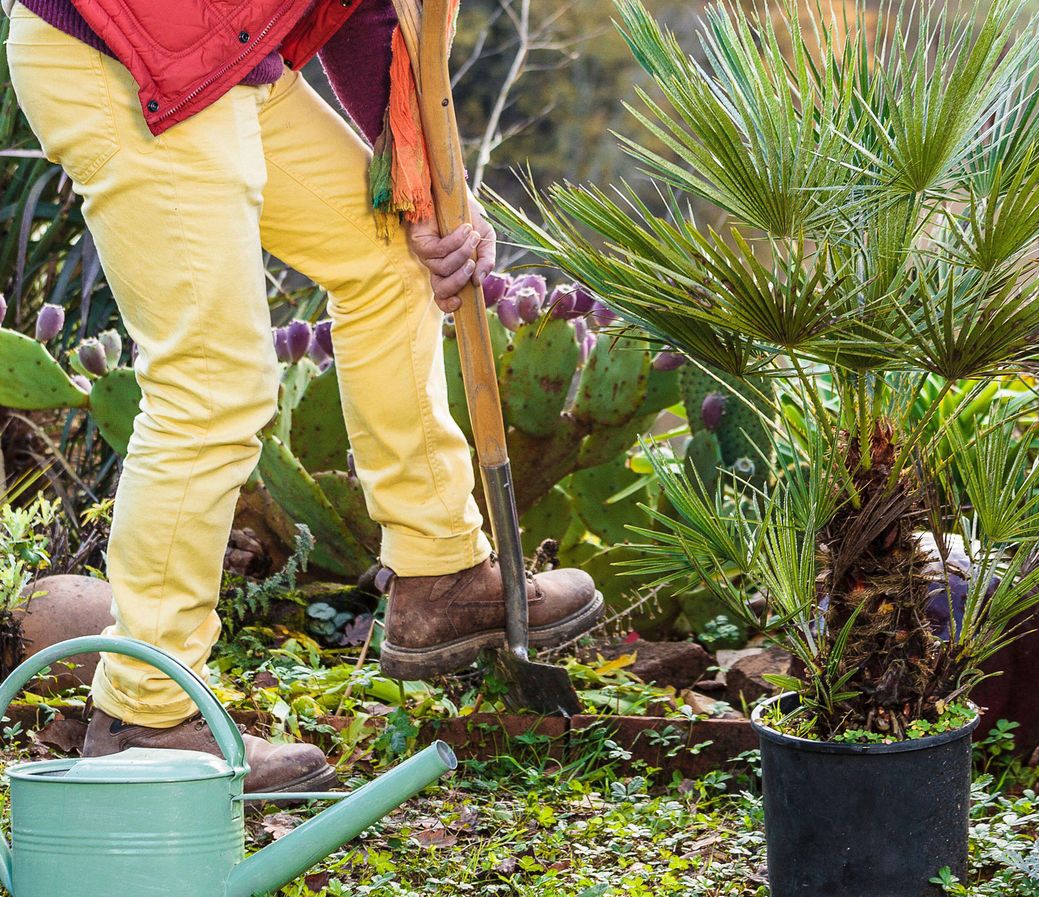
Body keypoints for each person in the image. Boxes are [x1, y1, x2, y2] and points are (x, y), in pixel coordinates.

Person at [3, 0, 602, 793]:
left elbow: (371, 18)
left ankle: (439, 575)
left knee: (390, 258)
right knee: (209, 383)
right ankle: (144, 715)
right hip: (127, 52)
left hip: (222, 54)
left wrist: (422, 195)